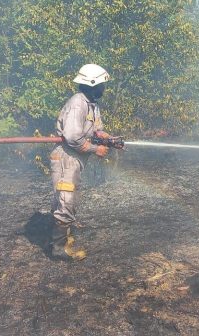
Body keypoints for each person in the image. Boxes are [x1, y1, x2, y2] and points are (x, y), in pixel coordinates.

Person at [48, 64, 115, 261]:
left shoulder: (91, 103)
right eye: (102, 84)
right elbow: (72, 137)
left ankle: (61, 241)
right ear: (93, 84)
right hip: (66, 158)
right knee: (66, 201)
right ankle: (58, 249)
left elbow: (95, 129)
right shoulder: (78, 103)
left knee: (66, 200)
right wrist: (97, 149)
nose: (104, 87)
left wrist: (106, 138)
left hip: (74, 159)